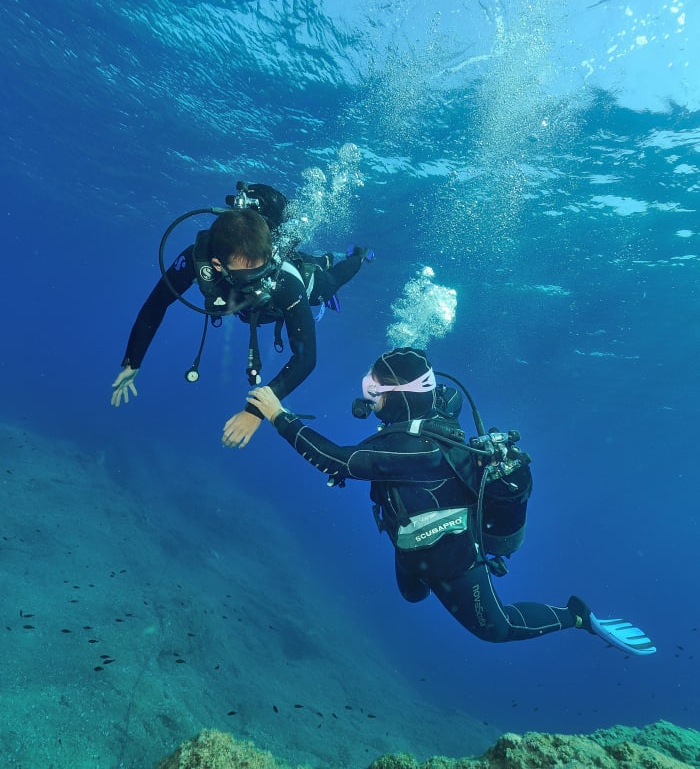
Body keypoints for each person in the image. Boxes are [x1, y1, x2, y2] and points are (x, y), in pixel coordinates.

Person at [247, 347, 656, 655]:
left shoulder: (414, 449)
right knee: (412, 594)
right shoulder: (431, 416)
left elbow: (338, 459)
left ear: (401, 398)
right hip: (410, 543)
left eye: (376, 392)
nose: (369, 399)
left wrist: (279, 415)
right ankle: (424, 576)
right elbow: (439, 399)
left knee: (496, 629)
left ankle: (579, 616)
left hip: (451, 559)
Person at [111, 183, 373, 449]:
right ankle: (322, 259)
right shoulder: (196, 261)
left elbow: (306, 359)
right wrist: (133, 361)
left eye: (263, 270)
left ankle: (357, 257)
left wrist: (255, 411)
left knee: (328, 285)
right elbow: (155, 305)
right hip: (244, 296)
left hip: (297, 287)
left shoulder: (283, 281)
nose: (259, 283)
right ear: (217, 265)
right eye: (249, 276)